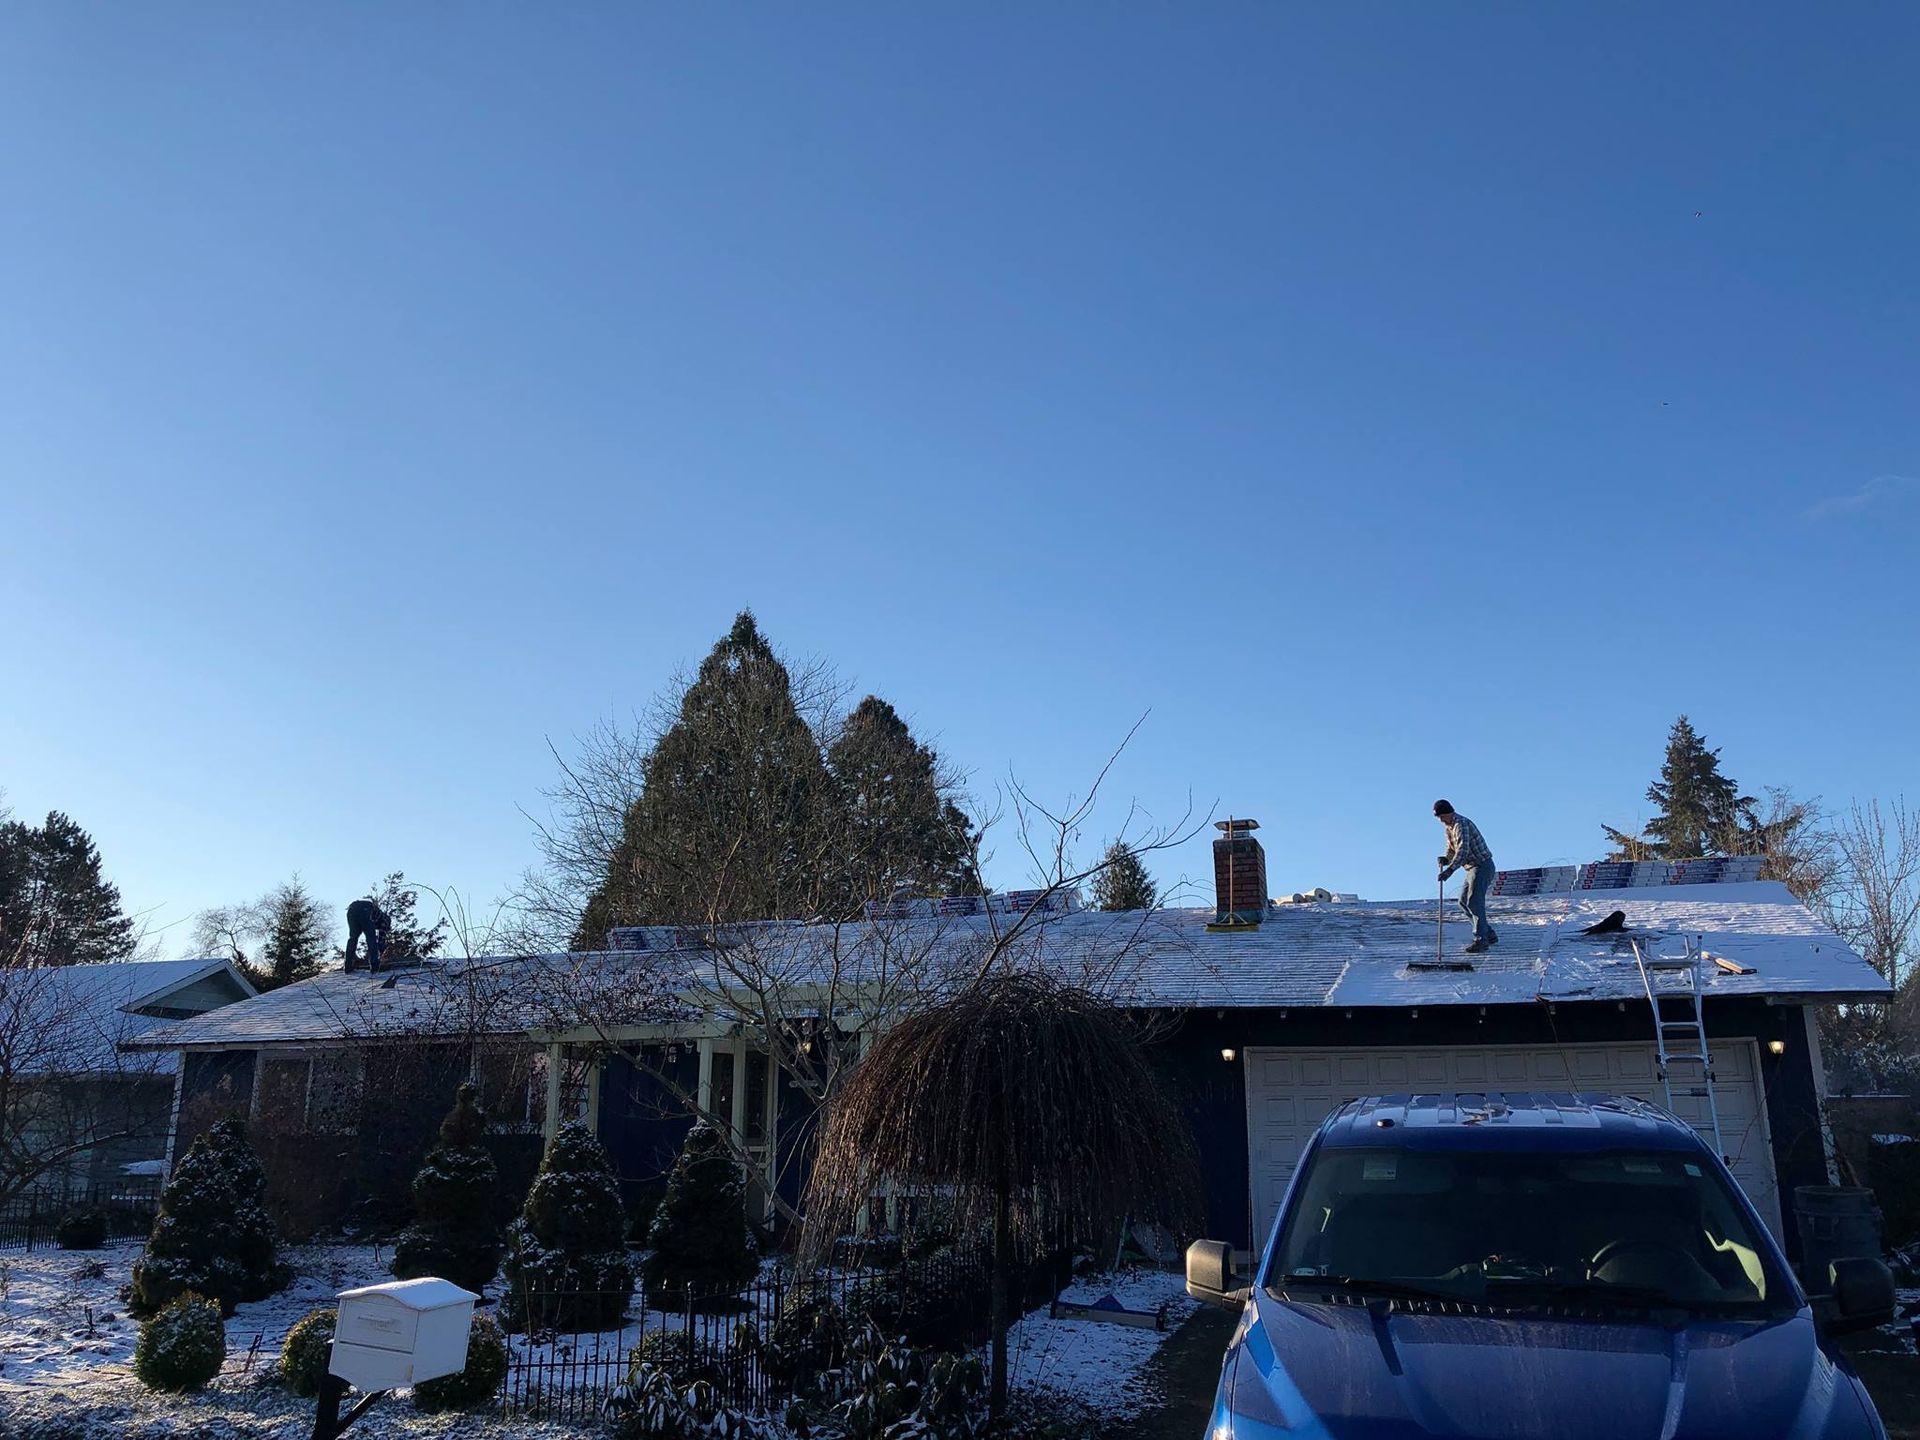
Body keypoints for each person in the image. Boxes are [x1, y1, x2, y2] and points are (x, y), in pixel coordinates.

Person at [1434, 800, 1498, 953]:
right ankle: (1488, 933)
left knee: (1474, 901)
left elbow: (1463, 850)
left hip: (1482, 865)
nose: (1440, 820)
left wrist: (1450, 870)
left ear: (1448, 813)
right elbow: (1452, 849)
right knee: (1463, 902)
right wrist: (1446, 858)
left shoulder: (1461, 824)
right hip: (1471, 868)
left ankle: (1481, 939)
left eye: (1442, 817)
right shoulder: (1449, 827)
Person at [345, 898, 391, 972]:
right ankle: (375, 966)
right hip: (365, 909)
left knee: (353, 938)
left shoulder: (377, 916)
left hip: (351, 910)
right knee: (371, 938)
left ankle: (348, 966)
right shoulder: (385, 920)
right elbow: (381, 940)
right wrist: (381, 951)